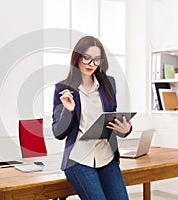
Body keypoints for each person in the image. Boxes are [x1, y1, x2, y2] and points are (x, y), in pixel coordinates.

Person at [52, 36, 132, 200]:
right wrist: (68, 110)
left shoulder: (109, 84)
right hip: (78, 159)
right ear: (77, 57)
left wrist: (126, 130)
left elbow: (112, 120)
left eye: (96, 60)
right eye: (87, 58)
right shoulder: (63, 88)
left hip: (106, 155)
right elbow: (58, 133)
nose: (91, 64)